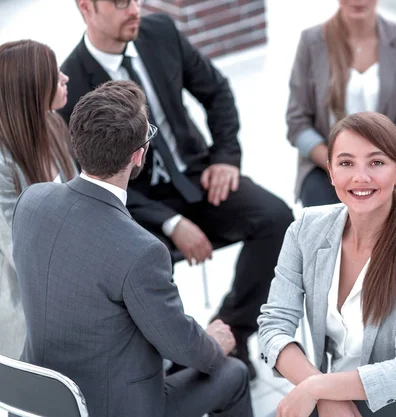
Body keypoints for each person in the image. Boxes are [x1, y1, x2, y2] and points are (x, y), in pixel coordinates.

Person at [60, 0, 294, 378]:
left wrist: (225, 158)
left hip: (197, 176)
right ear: (86, 8)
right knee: (134, 264)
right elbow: (89, 175)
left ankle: (230, 333)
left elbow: (217, 92)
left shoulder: (161, 34)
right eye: (120, 3)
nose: (134, 9)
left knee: (276, 219)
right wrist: (170, 222)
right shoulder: (71, 82)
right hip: (134, 203)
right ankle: (171, 356)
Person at [13, 80, 253, 417]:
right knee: (233, 373)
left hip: (44, 397)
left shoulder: (32, 200)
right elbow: (181, 346)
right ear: (138, 155)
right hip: (116, 409)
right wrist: (215, 344)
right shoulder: (140, 251)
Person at [258, 112, 396, 417]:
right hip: (332, 398)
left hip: (395, 404)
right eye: (346, 163)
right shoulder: (305, 230)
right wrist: (323, 392)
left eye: (376, 162)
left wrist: (316, 389)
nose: (361, 177)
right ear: (331, 172)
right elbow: (273, 327)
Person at [287, 0, 396, 208]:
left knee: (393, 233)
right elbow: (297, 122)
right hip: (325, 165)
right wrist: (339, 164)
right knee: (325, 233)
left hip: (387, 162)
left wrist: (377, 162)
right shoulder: (311, 41)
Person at [0, 40, 77, 359]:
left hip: (70, 277)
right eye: (52, 72)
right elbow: (20, 249)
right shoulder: (2, 163)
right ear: (30, 88)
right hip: (28, 306)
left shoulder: (54, 125)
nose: (65, 77)